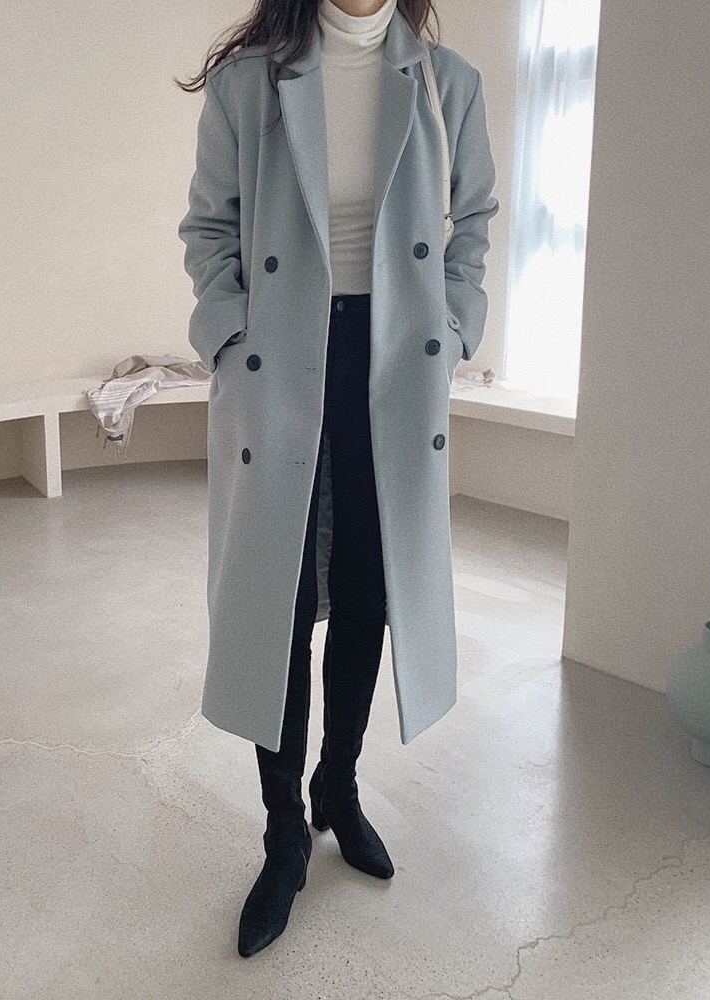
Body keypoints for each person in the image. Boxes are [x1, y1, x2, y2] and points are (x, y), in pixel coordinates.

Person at [176, 0, 498, 957]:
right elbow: (210, 229)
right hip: (281, 357)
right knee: (276, 602)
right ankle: (283, 834)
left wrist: (456, 328)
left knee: (368, 592)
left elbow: (475, 220)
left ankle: (338, 787)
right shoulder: (249, 83)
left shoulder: (448, 84)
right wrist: (231, 338)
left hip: (394, 361)